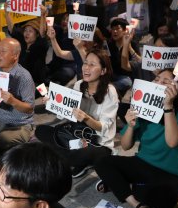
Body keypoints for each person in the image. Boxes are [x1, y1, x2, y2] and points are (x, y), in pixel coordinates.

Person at [94, 71, 178, 208]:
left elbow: (172, 142)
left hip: (171, 174)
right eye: (157, 79)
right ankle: (137, 205)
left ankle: (120, 184)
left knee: (153, 194)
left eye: (165, 81)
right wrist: (131, 126)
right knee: (102, 162)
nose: (158, 83)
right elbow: (125, 146)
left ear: (177, 90)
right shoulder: (143, 108)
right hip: (142, 163)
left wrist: (168, 107)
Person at [35, 47, 118, 178]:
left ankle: (75, 159)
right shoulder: (79, 84)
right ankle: (71, 157)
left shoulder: (110, 92)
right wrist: (53, 103)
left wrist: (86, 118)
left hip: (98, 142)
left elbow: (104, 128)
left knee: (78, 153)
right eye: (85, 63)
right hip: (77, 135)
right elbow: (66, 112)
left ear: (103, 71)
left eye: (92, 65)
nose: (86, 68)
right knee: (40, 130)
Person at [6, 11, 48, 89]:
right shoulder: (22, 42)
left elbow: (43, 34)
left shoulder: (41, 45)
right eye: (25, 30)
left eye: (30, 31)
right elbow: (12, 29)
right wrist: (7, 12)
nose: (27, 33)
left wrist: (42, 15)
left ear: (37, 34)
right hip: (21, 79)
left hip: (37, 83)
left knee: (25, 95)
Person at [107, 18, 139, 96]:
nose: (114, 31)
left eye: (117, 29)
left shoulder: (132, 44)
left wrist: (129, 47)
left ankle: (107, 89)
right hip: (111, 74)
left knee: (126, 82)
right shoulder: (109, 44)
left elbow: (139, 61)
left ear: (125, 30)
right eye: (113, 29)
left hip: (126, 76)